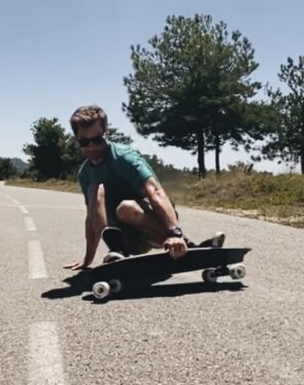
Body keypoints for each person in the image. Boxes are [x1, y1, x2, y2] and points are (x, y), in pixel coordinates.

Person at [62, 104, 223, 271]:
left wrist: (175, 233)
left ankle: (189, 247)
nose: (92, 146)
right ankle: (117, 250)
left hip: (155, 222)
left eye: (97, 140)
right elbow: (91, 217)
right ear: (76, 139)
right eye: (84, 141)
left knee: (126, 208)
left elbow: (156, 192)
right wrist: (87, 259)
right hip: (129, 239)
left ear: (105, 133)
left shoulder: (124, 158)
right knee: (95, 190)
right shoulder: (85, 174)